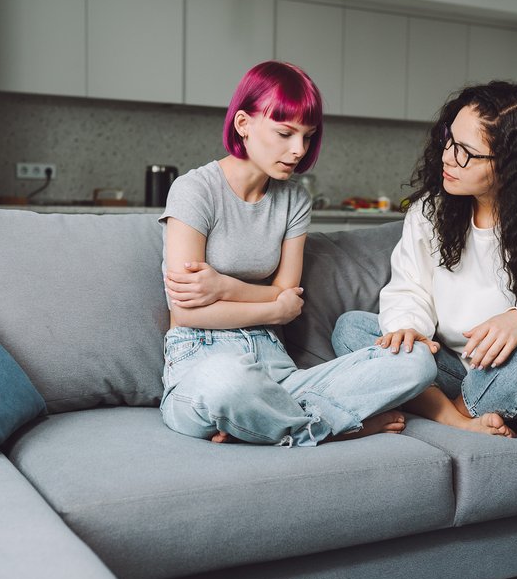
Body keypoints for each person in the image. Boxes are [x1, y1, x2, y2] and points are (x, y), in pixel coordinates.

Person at [157, 61, 436, 447]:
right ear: (243, 124)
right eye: (285, 133)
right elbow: (188, 310)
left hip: (277, 368)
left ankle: (262, 423)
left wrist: (222, 285)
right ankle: (333, 425)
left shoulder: (293, 200)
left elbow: (290, 292)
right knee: (227, 382)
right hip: (201, 362)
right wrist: (274, 308)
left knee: (417, 362)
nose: (298, 150)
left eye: (307, 136)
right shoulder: (194, 190)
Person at [332, 81, 517, 438]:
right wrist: (408, 329)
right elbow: (409, 288)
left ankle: (431, 404)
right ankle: (457, 415)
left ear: (511, 166)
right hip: (456, 369)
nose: (446, 156)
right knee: (352, 328)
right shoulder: (430, 212)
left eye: (465, 152)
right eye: (448, 139)